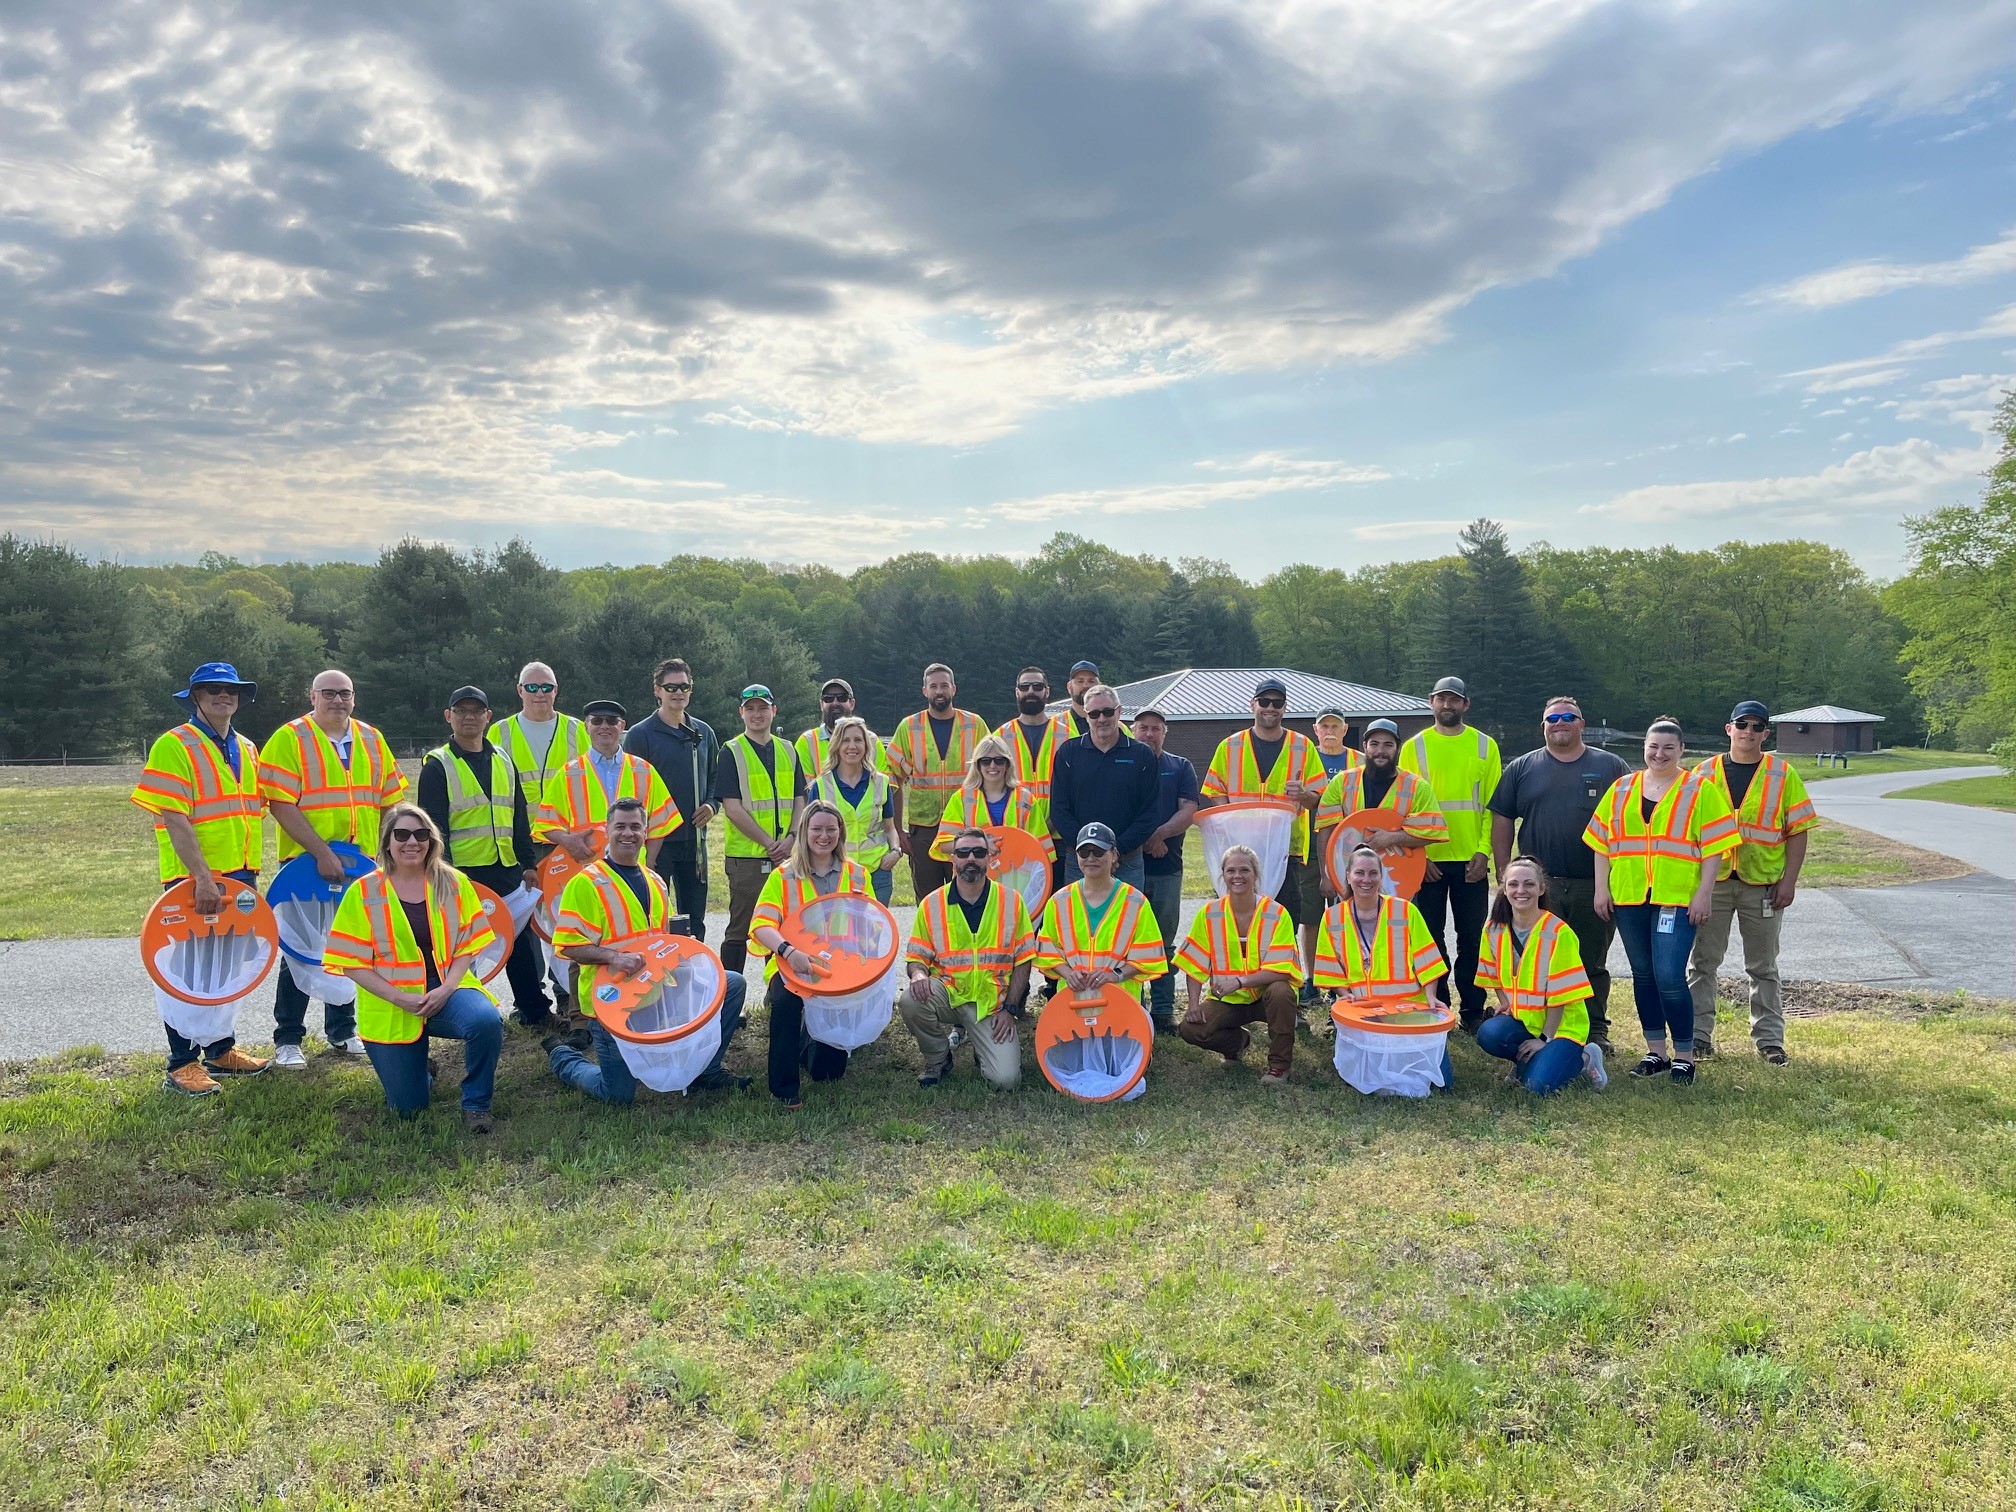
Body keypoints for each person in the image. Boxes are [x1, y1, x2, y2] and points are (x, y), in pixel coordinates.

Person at [545, 797, 750, 1101]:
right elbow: (569, 946)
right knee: (617, 1095)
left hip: (657, 994)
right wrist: (614, 957)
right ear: (607, 829)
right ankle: (564, 1058)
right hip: (612, 1004)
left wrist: (684, 945)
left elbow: (662, 940)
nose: (628, 833)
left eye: (635, 827)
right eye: (621, 827)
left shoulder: (655, 881)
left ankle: (707, 1069)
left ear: (645, 833)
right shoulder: (586, 883)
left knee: (731, 983)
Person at [130, 662, 272, 1096]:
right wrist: (202, 878)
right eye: (211, 690)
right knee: (185, 970)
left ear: (239, 698)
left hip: (241, 875)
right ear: (195, 697)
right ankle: (180, 1062)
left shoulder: (248, 748)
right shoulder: (175, 744)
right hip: (199, 880)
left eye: (230, 690)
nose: (222, 696)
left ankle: (220, 1049)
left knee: (226, 968)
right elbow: (174, 816)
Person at [323, 805, 504, 1132]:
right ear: (387, 841)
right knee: (408, 1110)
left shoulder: (453, 882)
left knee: (486, 1021)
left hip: (445, 988)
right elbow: (351, 962)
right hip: (390, 1001)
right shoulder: (363, 892)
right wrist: (400, 999)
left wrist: (447, 988)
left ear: (431, 841)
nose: (412, 842)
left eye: (421, 835)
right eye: (402, 834)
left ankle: (476, 1104)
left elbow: (469, 943)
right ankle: (422, 1073)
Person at [258, 668, 407, 1067]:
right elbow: (280, 803)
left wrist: (388, 850)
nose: (337, 700)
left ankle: (342, 1029)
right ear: (312, 697)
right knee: (302, 950)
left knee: (352, 947)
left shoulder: (372, 738)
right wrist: (321, 852)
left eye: (345, 693)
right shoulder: (289, 738)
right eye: (329, 693)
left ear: (354, 698)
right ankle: (288, 1038)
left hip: (361, 864)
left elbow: (389, 801)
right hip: (307, 866)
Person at [1583, 717, 1739, 1085]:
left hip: (1677, 897)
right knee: (1643, 976)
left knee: (1669, 975)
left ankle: (1684, 1055)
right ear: (1644, 749)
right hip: (1630, 896)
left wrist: (1704, 893)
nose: (1660, 753)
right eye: (1653, 747)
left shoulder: (1699, 789)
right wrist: (1601, 889)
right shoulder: (1622, 788)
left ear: (1681, 750)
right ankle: (1656, 1051)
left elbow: (1716, 845)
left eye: (1669, 747)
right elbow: (1600, 842)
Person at [1487, 696, 1632, 1052]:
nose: (1560, 722)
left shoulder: (1610, 764)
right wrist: (1506, 873)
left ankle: (1595, 1031)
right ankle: (1531, 1025)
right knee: (1535, 962)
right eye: (1553, 718)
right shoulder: (1522, 767)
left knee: (1590, 960)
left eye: (1569, 717)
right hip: (1538, 888)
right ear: (1543, 726)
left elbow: (1629, 821)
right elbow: (1502, 819)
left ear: (1582, 724)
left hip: (1592, 884)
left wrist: (1611, 882)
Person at [1686, 701, 1818, 1065]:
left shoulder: (1782, 773)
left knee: (1763, 966)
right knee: (1702, 963)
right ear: (1728, 729)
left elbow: (1799, 830)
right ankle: (1698, 1039)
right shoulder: (1703, 773)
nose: (1748, 731)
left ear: (1765, 733)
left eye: (1756, 726)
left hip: (1763, 884)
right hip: (1712, 884)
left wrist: (1789, 881)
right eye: (1741, 724)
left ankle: (1770, 1042)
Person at [417, 685, 551, 1028]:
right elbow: (433, 825)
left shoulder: (504, 759)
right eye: (461, 711)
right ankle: (470, 1016)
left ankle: (534, 1012)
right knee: (464, 948)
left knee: (519, 943)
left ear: (488, 717)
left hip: (505, 868)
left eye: (477, 711)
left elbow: (519, 816)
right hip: (461, 873)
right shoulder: (438, 764)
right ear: (449, 716)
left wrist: (528, 863)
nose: (469, 717)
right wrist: (439, 871)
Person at [1200, 678, 1327, 991]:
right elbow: (1214, 791)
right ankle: (1230, 988)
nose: (1270, 708)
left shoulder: (1302, 746)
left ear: (1285, 708)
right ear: (1252, 705)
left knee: (1284, 919)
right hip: (1240, 854)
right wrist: (1233, 820)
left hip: (1286, 852)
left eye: (1277, 703)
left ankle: (1284, 991)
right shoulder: (1230, 746)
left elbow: (1320, 799)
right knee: (1233, 921)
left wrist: (1305, 793)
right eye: (1264, 701)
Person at [748, 800, 875, 1109]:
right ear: (804, 832)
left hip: (839, 972)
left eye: (831, 829)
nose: (824, 836)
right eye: (817, 829)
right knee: (785, 1004)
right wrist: (789, 953)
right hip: (794, 967)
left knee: (827, 1073)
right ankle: (784, 1089)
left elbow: (873, 926)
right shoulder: (783, 876)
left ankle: (810, 1044)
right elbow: (761, 925)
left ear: (840, 833)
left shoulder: (858, 875)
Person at [1311, 718, 1448, 1001]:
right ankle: (1344, 1005)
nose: (1380, 750)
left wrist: (1393, 837)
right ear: (1364, 747)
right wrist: (1327, 874)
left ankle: (1415, 999)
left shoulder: (1416, 787)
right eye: (1374, 744)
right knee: (1348, 943)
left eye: (1388, 744)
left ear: (1397, 749)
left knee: (1401, 943)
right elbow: (1326, 829)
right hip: (1352, 879)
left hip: (1401, 882)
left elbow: (1433, 832)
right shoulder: (1343, 782)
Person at [1399, 676, 1502, 1032]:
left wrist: (1483, 852)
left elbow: (1492, 806)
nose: (1447, 705)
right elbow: (1406, 807)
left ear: (1465, 704)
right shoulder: (1415, 747)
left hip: (1470, 860)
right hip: (1428, 861)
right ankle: (1438, 1004)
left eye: (1454, 700)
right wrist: (1418, 855)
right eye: (1441, 699)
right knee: (1430, 936)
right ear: (1431, 702)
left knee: (1473, 937)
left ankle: (1473, 1011)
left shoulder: (1485, 746)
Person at [902, 826, 1037, 1090]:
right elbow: (916, 954)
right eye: (963, 852)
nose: (971, 859)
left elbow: (1023, 959)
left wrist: (1010, 1010)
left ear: (989, 858)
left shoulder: (1012, 901)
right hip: (949, 993)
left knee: (1006, 1081)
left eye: (979, 852)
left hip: (991, 1003)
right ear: (953, 859)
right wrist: (918, 974)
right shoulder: (932, 903)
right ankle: (938, 1059)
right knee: (910, 1001)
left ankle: (982, 1045)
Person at [1314, 845, 1454, 1089]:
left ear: (1381, 876)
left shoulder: (1405, 910)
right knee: (1372, 1081)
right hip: (1364, 1014)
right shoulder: (1332, 917)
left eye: (1373, 873)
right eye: (1359, 873)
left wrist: (1431, 997)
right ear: (1348, 876)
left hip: (1409, 1010)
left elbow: (1427, 960)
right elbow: (1330, 969)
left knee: (1442, 1084)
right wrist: (1346, 998)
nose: (1366, 880)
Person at [1475, 856, 1608, 1094]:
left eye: (1529, 884)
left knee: (1537, 1088)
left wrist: (1545, 1039)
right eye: (1513, 884)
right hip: (1526, 1021)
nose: (1521, 890)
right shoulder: (1493, 929)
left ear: (1542, 889)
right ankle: (1528, 1060)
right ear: (1504, 889)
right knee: (1489, 1033)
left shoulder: (1558, 932)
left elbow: (1561, 994)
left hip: (1562, 1028)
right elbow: (1491, 974)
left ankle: (1586, 1059)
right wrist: (1505, 1003)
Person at [1174, 844, 1302, 1085]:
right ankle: (1237, 1043)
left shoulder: (1277, 913)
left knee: (1282, 992)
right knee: (1191, 1030)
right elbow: (1193, 963)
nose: (1237, 876)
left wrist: (1240, 981)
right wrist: (1193, 1004)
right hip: (1228, 1001)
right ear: (1223, 875)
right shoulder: (1209, 913)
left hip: (1268, 998)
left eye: (1244, 870)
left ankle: (1278, 1066)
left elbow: (1281, 969)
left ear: (1256, 874)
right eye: (1230, 870)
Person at [1033, 823, 1168, 1028]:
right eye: (1084, 852)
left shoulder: (1135, 901)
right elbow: (1046, 951)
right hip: (1072, 1002)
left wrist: (1115, 975)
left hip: (1121, 1002)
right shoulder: (1059, 901)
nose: (1090, 858)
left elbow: (1148, 957)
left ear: (1114, 855)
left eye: (1098, 851)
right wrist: (1069, 974)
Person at [623, 657, 720, 940]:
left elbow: (715, 776)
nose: (678, 692)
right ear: (657, 690)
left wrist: (712, 805)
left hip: (695, 844)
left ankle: (697, 977)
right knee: (656, 916)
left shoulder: (703, 732)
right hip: (658, 842)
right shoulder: (641, 735)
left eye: (684, 687)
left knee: (695, 920)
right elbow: (632, 792)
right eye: (671, 687)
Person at [713, 684, 807, 975]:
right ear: (741, 713)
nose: (757, 714)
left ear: (773, 711)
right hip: (748, 858)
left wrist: (792, 839)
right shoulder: (731, 751)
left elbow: (800, 799)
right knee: (740, 930)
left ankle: (778, 990)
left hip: (787, 855)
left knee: (783, 927)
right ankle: (730, 995)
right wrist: (770, 843)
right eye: (750, 708)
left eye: (763, 708)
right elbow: (732, 807)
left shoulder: (788, 750)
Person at [536, 699, 682, 871]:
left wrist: (649, 864)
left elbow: (660, 823)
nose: (604, 726)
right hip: (585, 868)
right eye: (597, 721)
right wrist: (567, 841)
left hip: (634, 867)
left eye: (611, 721)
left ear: (622, 726)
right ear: (586, 726)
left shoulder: (644, 770)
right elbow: (545, 823)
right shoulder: (568, 774)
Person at [886, 663, 988, 901]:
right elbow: (892, 780)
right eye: (933, 686)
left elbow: (992, 772)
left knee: (969, 896)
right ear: (924, 691)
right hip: (923, 829)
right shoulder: (909, 727)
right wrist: (899, 831)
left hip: (967, 826)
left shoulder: (975, 724)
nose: (939, 691)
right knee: (928, 898)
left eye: (944, 685)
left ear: (954, 688)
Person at [1127, 707, 1200, 1031]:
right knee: (1130, 942)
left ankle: (1163, 1010)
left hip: (1168, 867)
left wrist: (1160, 836)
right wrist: (1141, 841)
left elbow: (1189, 810)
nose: (1149, 734)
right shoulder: (1121, 764)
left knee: (1164, 943)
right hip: (1129, 867)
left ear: (1165, 732)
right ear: (1133, 730)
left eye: (1156, 728)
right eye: (1143, 727)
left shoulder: (1180, 766)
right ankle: (1134, 1008)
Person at [1048, 684, 1161, 892]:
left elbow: (1150, 812)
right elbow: (1060, 810)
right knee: (1077, 922)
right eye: (1094, 713)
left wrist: (1115, 850)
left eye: (1108, 712)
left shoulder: (1142, 755)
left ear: (1119, 711)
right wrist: (1089, 851)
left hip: (1126, 860)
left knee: (1127, 922)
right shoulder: (1068, 754)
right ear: (1086, 715)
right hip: (1080, 862)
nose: (1101, 719)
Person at [808, 716, 903, 904]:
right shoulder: (820, 785)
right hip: (836, 872)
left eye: (858, 740)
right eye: (846, 740)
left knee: (874, 931)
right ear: (836, 745)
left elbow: (890, 827)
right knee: (839, 931)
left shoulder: (881, 782)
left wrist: (895, 852)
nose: (852, 746)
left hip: (876, 872)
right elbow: (810, 832)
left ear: (867, 746)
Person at [932, 733, 1054, 865]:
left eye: (999, 760)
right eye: (985, 761)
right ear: (978, 765)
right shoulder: (961, 798)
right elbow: (944, 845)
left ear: (1008, 765)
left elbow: (1041, 848)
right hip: (971, 875)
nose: (992, 765)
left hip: (1016, 875)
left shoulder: (1026, 800)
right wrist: (980, 846)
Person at [491, 661, 591, 819]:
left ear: (555, 690)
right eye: (532, 688)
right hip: (520, 834)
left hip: (567, 833)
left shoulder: (578, 729)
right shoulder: (499, 731)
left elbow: (592, 781)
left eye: (547, 687)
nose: (539, 694)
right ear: (520, 690)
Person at [996, 666, 1075, 850]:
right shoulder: (999, 737)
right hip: (1014, 838)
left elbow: (1076, 789)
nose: (1031, 691)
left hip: (1060, 838)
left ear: (1047, 692)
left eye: (1037, 686)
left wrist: (1049, 826)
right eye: (1024, 687)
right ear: (1017, 692)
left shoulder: (1068, 737)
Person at [796, 677, 886, 778]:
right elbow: (803, 788)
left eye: (842, 698)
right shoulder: (807, 741)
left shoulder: (872, 740)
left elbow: (884, 786)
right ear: (821, 705)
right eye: (828, 698)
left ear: (852, 704)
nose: (835, 703)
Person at [1313, 708, 1362, 780]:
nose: (1329, 732)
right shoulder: (1306, 757)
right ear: (1316, 729)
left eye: (1335, 726)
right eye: (1325, 726)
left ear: (1345, 730)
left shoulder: (1361, 761)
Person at [1064, 660, 1100, 734]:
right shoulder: (1053, 724)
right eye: (1080, 681)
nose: (1086, 686)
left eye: (1091, 681)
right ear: (1069, 687)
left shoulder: (1118, 728)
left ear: (1099, 686)